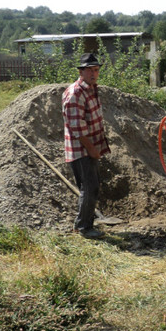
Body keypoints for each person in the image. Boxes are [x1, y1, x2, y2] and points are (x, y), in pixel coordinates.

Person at [62, 53, 110, 239]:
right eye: (89, 70)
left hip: (90, 146)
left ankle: (85, 223)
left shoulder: (91, 89)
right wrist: (91, 149)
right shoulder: (75, 93)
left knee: (92, 186)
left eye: (96, 70)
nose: (93, 73)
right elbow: (77, 128)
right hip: (81, 149)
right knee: (89, 187)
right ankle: (83, 227)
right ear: (81, 71)